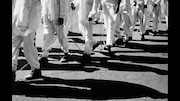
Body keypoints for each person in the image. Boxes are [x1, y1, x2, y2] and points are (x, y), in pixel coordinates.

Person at [12, 0, 42, 82]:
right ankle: (12, 71)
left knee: (29, 49)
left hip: (28, 25)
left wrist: (24, 25)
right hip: (16, 23)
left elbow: (28, 7)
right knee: (13, 48)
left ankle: (36, 69)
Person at [40, 0, 71, 64]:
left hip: (57, 16)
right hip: (47, 16)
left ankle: (66, 52)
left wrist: (62, 16)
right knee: (47, 35)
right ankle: (44, 55)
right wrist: (42, 15)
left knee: (61, 36)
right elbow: (43, 3)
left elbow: (63, 3)